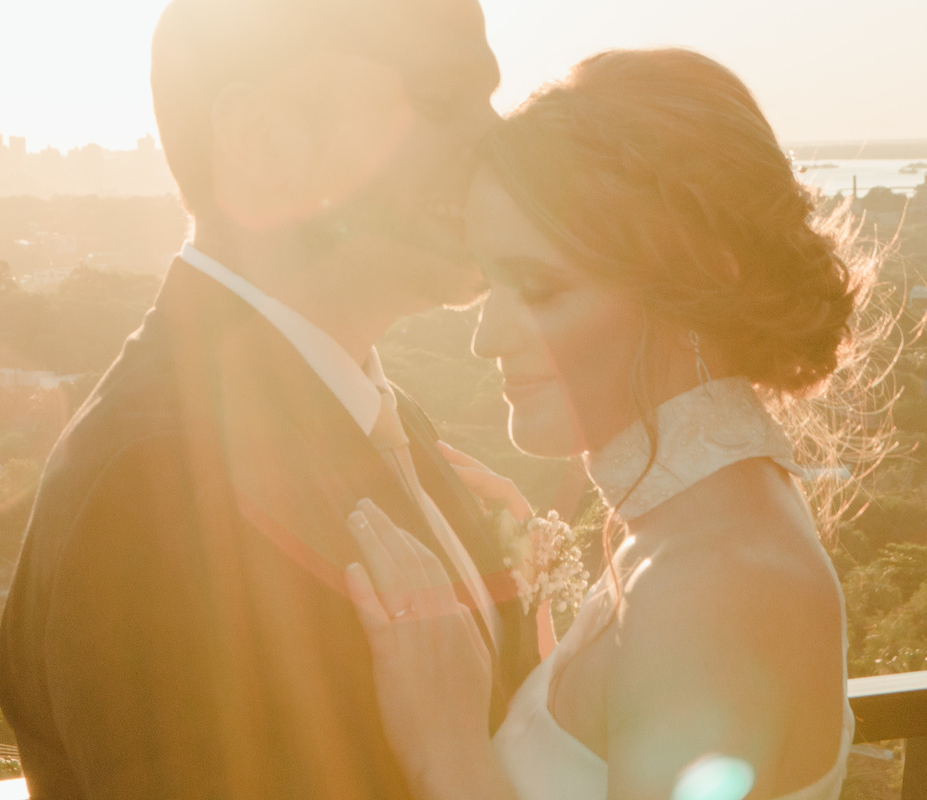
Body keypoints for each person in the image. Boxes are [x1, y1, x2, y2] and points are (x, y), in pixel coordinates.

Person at [0, 0, 538, 797]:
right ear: (256, 139)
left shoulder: (384, 420)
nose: (499, 144)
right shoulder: (156, 489)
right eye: (444, 99)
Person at [345, 49, 873, 800]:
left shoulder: (717, 590)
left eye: (540, 287)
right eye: (491, 282)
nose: (486, 335)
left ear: (699, 277)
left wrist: (450, 748)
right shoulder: (684, 536)